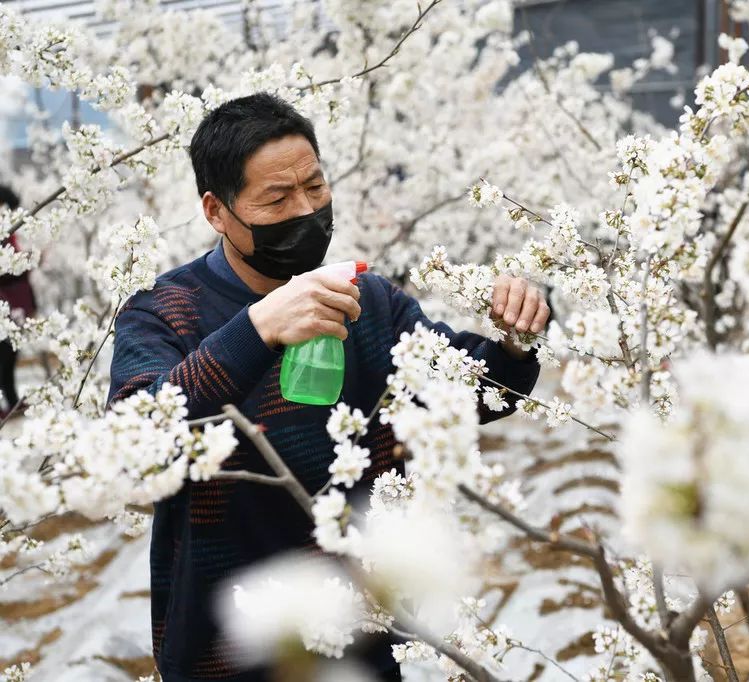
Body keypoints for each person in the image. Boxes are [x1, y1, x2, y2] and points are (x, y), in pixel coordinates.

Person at [106, 93, 548, 682]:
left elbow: (474, 387)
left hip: (358, 629)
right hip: (223, 646)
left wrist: (516, 339)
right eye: (277, 198)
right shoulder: (167, 311)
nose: (306, 209)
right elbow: (136, 437)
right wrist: (258, 328)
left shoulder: (368, 301)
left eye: (315, 187)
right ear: (216, 212)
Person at [0, 184, 38, 419]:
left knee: (10, 352)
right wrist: (22, 264)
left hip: (14, 302)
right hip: (6, 302)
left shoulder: (8, 231)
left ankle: (12, 400)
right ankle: (10, 401)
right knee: (5, 353)